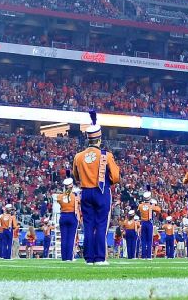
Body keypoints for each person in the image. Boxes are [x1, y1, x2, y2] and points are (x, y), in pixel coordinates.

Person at [72, 109, 120, 266]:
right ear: (99, 139)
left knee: (88, 225)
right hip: (101, 191)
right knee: (101, 224)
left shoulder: (78, 156)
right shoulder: (106, 155)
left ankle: (89, 258)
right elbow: (115, 177)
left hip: (86, 192)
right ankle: (99, 258)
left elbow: (76, 176)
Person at [57, 176, 80, 261]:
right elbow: (80, 202)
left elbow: (59, 201)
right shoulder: (75, 196)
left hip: (63, 215)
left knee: (64, 238)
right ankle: (69, 257)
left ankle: (64, 257)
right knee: (71, 238)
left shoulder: (60, 196)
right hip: (72, 216)